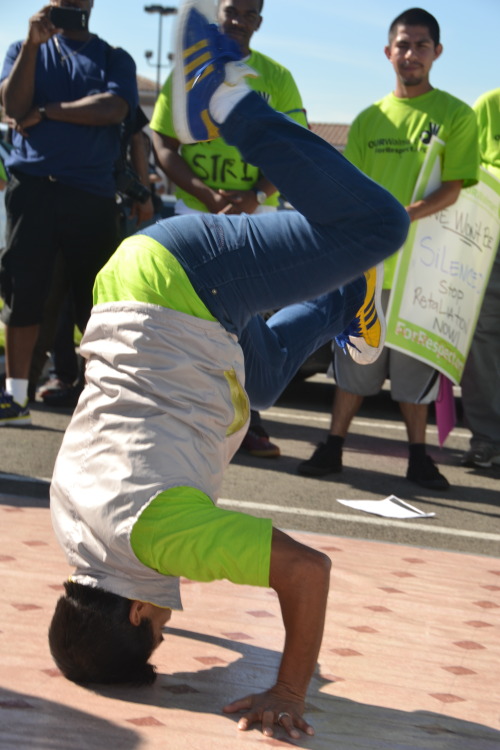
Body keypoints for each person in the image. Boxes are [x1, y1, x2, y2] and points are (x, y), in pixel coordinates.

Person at [48, 0, 409, 738]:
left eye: (160, 631)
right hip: (137, 303)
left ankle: (227, 101)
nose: (168, 620)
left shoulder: (160, 543)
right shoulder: (72, 528)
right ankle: (347, 305)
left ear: (144, 613)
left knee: (375, 226)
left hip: (184, 288)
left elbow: (307, 571)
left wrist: (289, 688)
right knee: (262, 385)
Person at [297, 7, 479, 491]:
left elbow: (455, 188)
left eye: (422, 45)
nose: (411, 53)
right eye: (403, 44)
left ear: (437, 53)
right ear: (387, 51)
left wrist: (405, 215)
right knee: (354, 365)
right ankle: (333, 446)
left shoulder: (456, 116)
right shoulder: (367, 120)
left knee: (412, 375)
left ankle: (419, 458)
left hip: (426, 273)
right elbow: (347, 190)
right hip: (367, 269)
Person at [151, 0, 308, 459]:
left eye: (248, 12)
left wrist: (254, 195)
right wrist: (207, 195)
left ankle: (247, 424)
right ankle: (182, 418)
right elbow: (162, 141)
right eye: (230, 9)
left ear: (259, 21)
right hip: (195, 213)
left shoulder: (276, 78)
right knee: (185, 319)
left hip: (255, 217)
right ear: (218, 12)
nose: (237, 18)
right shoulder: (188, 69)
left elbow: (294, 144)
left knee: (248, 322)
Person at [0, 0, 138, 427]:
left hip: (90, 195)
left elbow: (113, 109)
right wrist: (31, 47)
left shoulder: (114, 58)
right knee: (23, 295)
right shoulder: (24, 49)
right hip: (33, 190)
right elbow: (11, 106)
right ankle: (15, 396)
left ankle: (102, 402)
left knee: (96, 305)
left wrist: (46, 112)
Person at [460, 88, 500, 468]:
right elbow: (465, 166)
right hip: (490, 242)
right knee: (482, 346)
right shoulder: (488, 105)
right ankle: (487, 439)